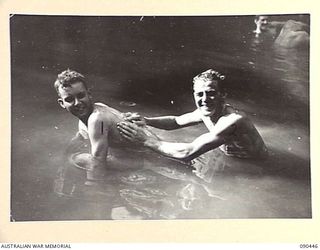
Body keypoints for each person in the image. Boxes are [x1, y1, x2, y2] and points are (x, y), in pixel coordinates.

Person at [117, 69, 268, 165]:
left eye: (211, 93)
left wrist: (145, 140)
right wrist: (147, 121)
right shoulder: (205, 111)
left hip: (256, 166)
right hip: (233, 159)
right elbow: (176, 121)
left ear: (223, 95)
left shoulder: (232, 120)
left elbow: (188, 153)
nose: (205, 99)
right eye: (199, 94)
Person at [54, 69, 132, 180]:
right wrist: (66, 151)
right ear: (62, 103)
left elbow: (98, 162)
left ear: (89, 94)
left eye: (81, 96)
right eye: (70, 99)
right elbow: (82, 134)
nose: (77, 103)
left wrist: (95, 190)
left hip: (144, 160)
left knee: (77, 159)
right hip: (135, 155)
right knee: (70, 155)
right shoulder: (93, 110)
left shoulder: (97, 119)